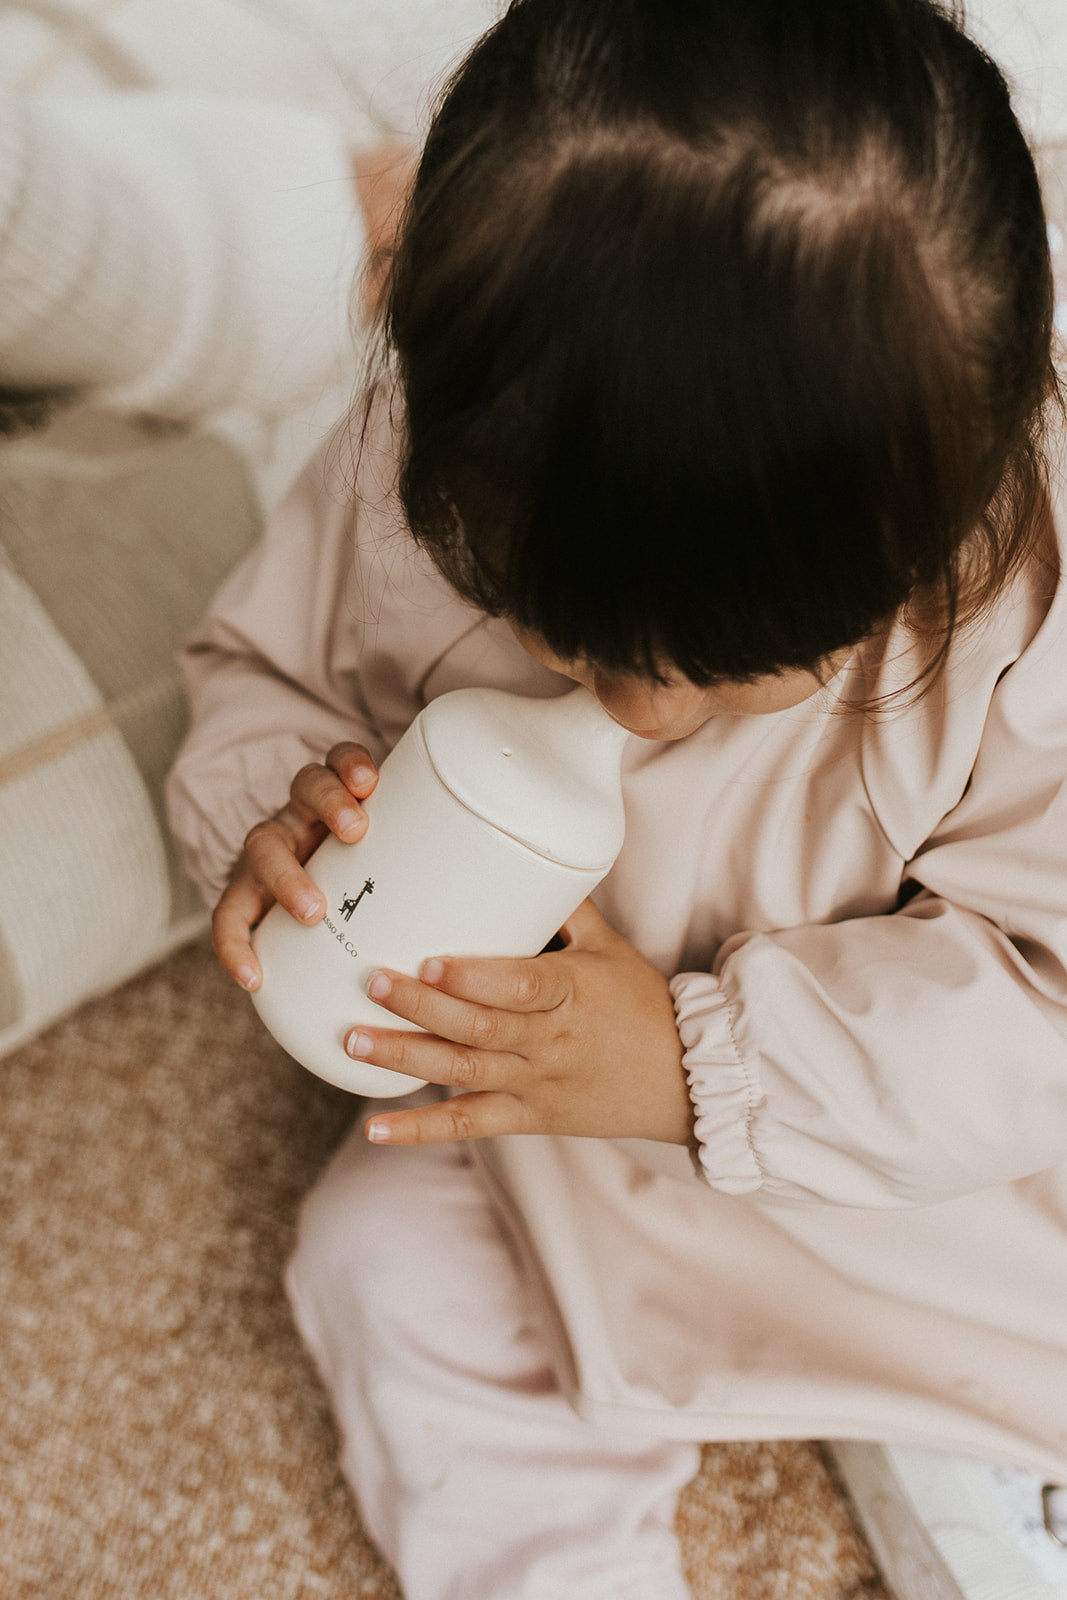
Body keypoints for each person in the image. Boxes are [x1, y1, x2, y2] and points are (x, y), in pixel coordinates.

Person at [165, 0, 1067, 1595]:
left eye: (736, 665)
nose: (637, 709)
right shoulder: (444, 461)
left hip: (912, 1170)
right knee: (376, 1271)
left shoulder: (1020, 608)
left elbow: (1038, 1004)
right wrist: (279, 818)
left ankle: (957, 1436)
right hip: (542, 1145)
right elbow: (260, 663)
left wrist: (702, 1062)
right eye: (558, 623)